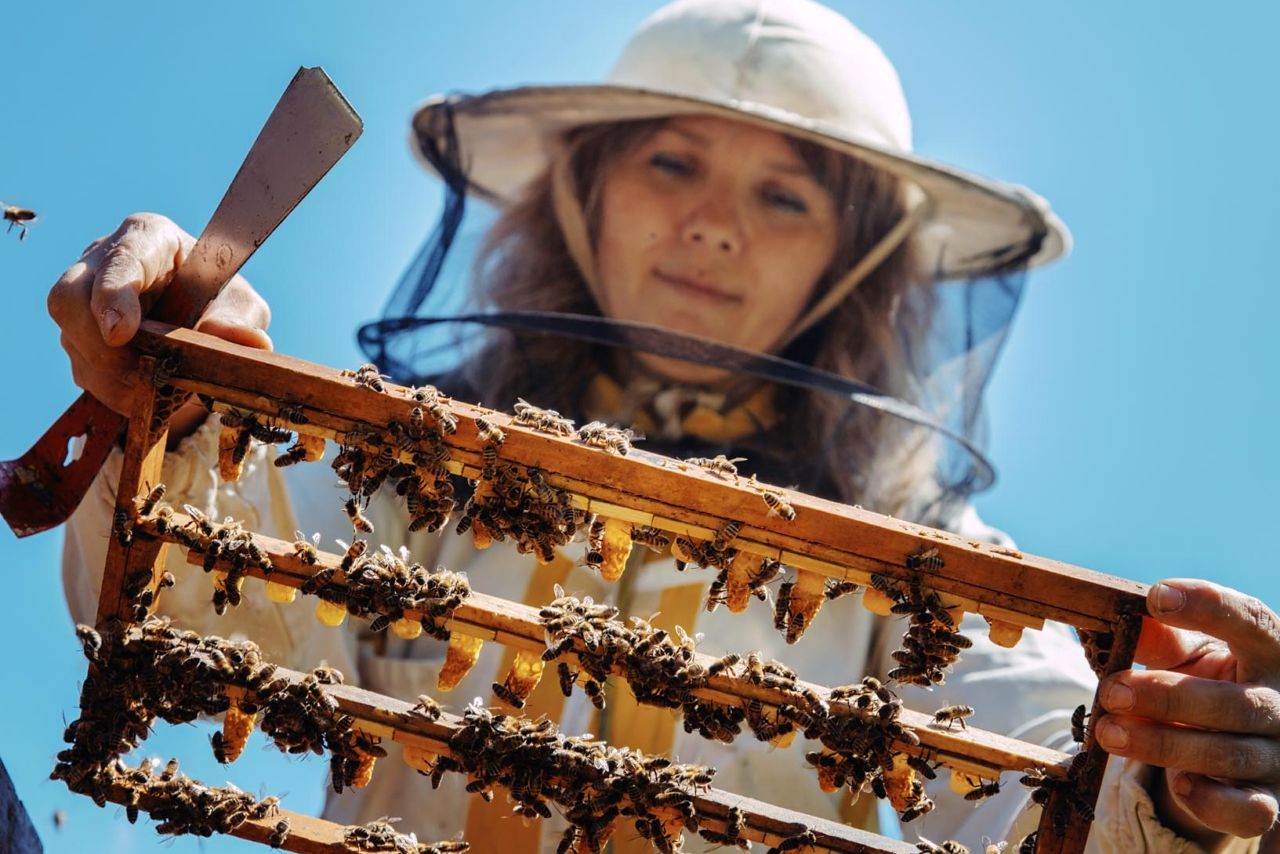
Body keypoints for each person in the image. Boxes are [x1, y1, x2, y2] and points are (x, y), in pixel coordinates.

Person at [47, 1, 1278, 851]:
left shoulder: (925, 554)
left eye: (783, 193)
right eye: (671, 164)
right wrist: (178, 392)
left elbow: (1038, 784)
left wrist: (1168, 785)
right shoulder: (418, 468)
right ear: (582, 198)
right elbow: (195, 594)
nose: (714, 225)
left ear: (850, 266)